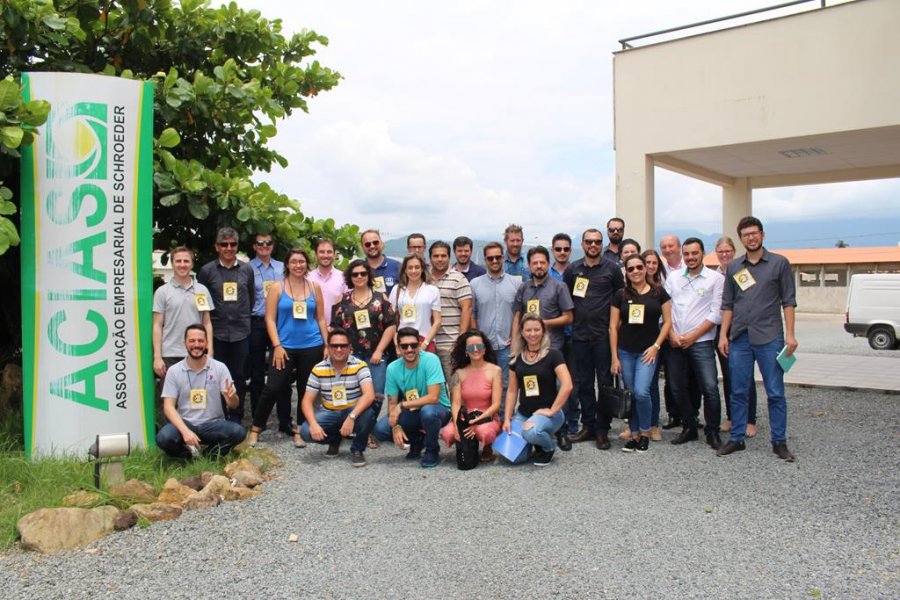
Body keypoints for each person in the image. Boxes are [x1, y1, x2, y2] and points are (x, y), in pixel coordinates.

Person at [718, 217, 798, 461]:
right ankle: (737, 438)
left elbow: (788, 301)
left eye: (754, 233)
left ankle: (779, 442)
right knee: (738, 390)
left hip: (770, 337)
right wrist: (723, 335)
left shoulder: (779, 264)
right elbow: (728, 304)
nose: (750, 238)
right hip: (740, 337)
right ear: (740, 239)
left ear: (762, 235)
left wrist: (791, 335)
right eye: (745, 235)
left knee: (775, 392)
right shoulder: (734, 267)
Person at [247, 248, 328, 447]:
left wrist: (327, 344)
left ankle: (300, 429)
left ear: (307, 264)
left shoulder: (314, 287)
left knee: (305, 389)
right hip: (283, 347)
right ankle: (256, 428)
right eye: (293, 262)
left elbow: (321, 318)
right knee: (272, 387)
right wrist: (277, 345)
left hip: (312, 345)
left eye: (301, 262)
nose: (298, 265)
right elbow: (270, 319)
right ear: (287, 265)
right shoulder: (277, 287)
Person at [565, 229, 625, 450]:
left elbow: (621, 299)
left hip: (603, 337)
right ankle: (588, 426)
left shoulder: (612, 269)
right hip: (580, 336)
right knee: (584, 384)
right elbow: (568, 298)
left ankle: (602, 429)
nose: (593, 245)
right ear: (582, 244)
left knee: (606, 384)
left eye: (597, 242)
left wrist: (616, 329)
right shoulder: (573, 270)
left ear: (602, 244)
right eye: (589, 241)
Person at [664, 237, 725, 450]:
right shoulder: (673, 278)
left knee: (709, 387)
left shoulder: (715, 279)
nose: (690, 257)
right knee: (676, 386)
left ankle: (712, 431)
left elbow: (716, 314)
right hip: (675, 342)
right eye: (687, 253)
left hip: (701, 342)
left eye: (694, 253)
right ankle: (689, 426)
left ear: (702, 253)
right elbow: (666, 309)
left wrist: (692, 336)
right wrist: (671, 333)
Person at [331, 259, 398, 449]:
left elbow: (391, 325)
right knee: (351, 393)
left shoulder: (381, 298)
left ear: (369, 275)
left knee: (376, 395)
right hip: (349, 356)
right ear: (349, 277)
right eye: (355, 274)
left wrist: (378, 350)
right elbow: (335, 328)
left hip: (376, 355)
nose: (359, 277)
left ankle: (366, 430)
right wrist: (342, 350)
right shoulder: (342, 299)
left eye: (363, 273)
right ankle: (348, 427)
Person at [610, 255, 671, 452]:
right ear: (626, 272)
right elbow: (613, 327)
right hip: (626, 351)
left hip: (648, 352)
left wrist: (656, 346)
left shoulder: (659, 293)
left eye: (639, 267)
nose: (635, 271)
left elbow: (668, 322)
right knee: (631, 394)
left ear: (646, 268)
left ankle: (645, 432)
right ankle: (634, 434)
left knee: (642, 392)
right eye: (631, 269)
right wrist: (614, 356)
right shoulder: (620, 295)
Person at [156, 324, 246, 458]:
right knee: (163, 437)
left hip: (213, 424)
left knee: (239, 432)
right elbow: (168, 407)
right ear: (184, 343)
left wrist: (231, 398)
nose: (196, 345)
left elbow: (234, 405)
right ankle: (189, 455)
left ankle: (210, 455)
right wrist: (185, 431)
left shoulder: (220, 368)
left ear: (207, 344)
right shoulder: (174, 371)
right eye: (192, 341)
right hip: (185, 422)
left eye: (200, 341)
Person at [197, 227, 255, 423]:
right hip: (217, 334)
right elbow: (202, 302)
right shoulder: (206, 271)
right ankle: (219, 416)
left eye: (233, 244)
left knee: (238, 377)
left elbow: (251, 299)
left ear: (237, 246)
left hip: (241, 332)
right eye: (224, 244)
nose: (229, 248)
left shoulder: (247, 269)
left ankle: (236, 418)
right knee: (215, 377)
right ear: (217, 247)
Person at [373, 327, 451, 468]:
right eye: (404, 346)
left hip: (438, 409)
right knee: (381, 429)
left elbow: (433, 397)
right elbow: (392, 402)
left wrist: (402, 406)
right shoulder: (392, 368)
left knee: (428, 412)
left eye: (413, 345)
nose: (409, 349)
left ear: (419, 345)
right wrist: (396, 426)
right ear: (398, 348)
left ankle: (432, 450)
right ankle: (417, 440)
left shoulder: (431, 360)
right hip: (413, 411)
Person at [299, 328, 377, 467]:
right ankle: (334, 440)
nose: (339, 349)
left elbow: (369, 395)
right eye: (334, 346)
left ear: (350, 348)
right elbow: (306, 401)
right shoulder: (318, 368)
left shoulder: (360, 366)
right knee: (306, 432)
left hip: (353, 410)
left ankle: (357, 449)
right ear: (328, 348)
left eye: (343, 346)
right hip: (330, 411)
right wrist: (314, 424)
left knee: (369, 413)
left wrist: (351, 417)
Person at [504, 314, 574, 466]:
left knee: (531, 432)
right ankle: (533, 440)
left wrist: (552, 410)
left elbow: (567, 385)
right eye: (528, 330)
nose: (533, 334)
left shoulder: (554, 355)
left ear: (543, 331)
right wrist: (507, 418)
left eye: (537, 330)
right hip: (524, 414)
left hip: (549, 414)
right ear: (522, 332)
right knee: (515, 458)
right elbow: (511, 390)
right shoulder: (515, 359)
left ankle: (548, 447)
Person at [714, 236, 758, 438]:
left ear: (734, 251)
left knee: (745, 376)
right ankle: (732, 417)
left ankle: (749, 419)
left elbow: (750, 298)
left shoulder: (741, 272)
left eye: (727, 251)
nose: (724, 255)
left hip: (739, 330)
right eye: (721, 251)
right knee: (728, 376)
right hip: (720, 331)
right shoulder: (715, 275)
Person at [247, 233, 290, 432]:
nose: (264, 246)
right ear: (254, 246)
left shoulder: (283, 268)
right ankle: (259, 419)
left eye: (268, 243)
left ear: (273, 246)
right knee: (256, 373)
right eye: (260, 243)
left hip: (279, 324)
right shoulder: (247, 268)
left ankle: (285, 420)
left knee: (282, 373)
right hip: (256, 323)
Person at [439, 330, 503, 462]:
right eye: (470, 347)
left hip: (487, 417)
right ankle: (467, 445)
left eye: (479, 346)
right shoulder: (458, 373)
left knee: (485, 432)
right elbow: (456, 403)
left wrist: (476, 423)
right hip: (465, 417)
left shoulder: (495, 371)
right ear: (465, 351)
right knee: (447, 433)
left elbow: (496, 405)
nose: (475, 350)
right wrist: (457, 426)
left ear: (485, 349)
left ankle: (487, 446)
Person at [152, 246, 214, 379]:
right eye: (178, 261)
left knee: (197, 397)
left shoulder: (202, 290)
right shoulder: (162, 292)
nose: (182, 265)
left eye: (186, 261)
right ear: (172, 263)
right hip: (170, 354)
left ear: (192, 263)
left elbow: (207, 323)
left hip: (197, 351)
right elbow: (157, 326)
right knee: (170, 398)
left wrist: (210, 351)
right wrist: (157, 357)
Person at [469, 242, 521, 398]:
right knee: (484, 385)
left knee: (506, 384)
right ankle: (488, 419)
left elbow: (520, 314)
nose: (494, 261)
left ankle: (505, 419)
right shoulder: (475, 284)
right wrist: (477, 341)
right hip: (484, 346)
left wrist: (516, 339)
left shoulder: (516, 283)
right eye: (490, 258)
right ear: (485, 260)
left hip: (507, 344)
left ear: (503, 258)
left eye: (498, 257)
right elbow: (473, 314)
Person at [549, 232, 580, 441]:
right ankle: (554, 421)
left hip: (575, 335)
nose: (562, 252)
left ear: (570, 250)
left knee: (574, 382)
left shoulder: (578, 272)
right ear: (553, 250)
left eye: (566, 249)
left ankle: (573, 423)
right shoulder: (545, 273)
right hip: (552, 339)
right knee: (553, 383)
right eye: (558, 249)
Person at [429, 241, 473, 379]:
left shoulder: (459, 279)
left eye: (443, 255)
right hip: (428, 343)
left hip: (450, 344)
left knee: (453, 385)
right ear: (430, 258)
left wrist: (460, 341)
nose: (440, 259)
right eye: (436, 256)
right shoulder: (424, 279)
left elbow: (467, 309)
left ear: (449, 257)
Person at [389, 254, 441, 352]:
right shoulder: (397, 290)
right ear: (405, 269)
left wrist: (425, 344)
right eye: (410, 268)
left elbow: (437, 321)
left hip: (425, 340)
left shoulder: (432, 290)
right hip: (403, 342)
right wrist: (396, 344)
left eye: (417, 267)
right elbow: (392, 321)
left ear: (422, 269)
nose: (413, 271)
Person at [641, 249, 667, 441]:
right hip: (632, 342)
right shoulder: (631, 286)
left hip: (654, 342)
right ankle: (637, 424)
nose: (650, 266)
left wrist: (657, 344)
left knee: (651, 386)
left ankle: (653, 424)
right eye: (646, 263)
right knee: (636, 387)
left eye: (653, 263)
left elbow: (667, 319)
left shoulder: (660, 289)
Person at [307, 238, 347, 328]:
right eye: (321, 252)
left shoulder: (344, 278)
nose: (325, 255)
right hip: (313, 332)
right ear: (315, 254)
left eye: (329, 252)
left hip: (337, 330)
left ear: (334, 254)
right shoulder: (307, 278)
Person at [361, 229, 401, 296]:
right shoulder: (358, 270)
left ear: (382, 243)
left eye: (375, 242)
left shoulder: (398, 267)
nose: (372, 246)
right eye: (367, 244)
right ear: (362, 247)